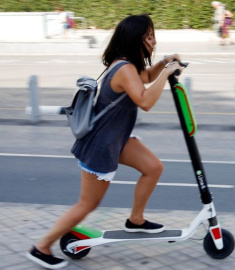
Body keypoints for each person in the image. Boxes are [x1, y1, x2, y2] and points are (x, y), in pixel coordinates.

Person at [26, 14, 182, 269]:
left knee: (153, 168)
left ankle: (136, 220)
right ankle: (41, 247)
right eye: (150, 36)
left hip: (117, 138)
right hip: (102, 143)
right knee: (87, 203)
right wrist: (167, 72)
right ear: (135, 39)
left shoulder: (127, 64)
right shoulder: (124, 69)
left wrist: (164, 63)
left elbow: (145, 78)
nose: (155, 41)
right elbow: (145, 101)